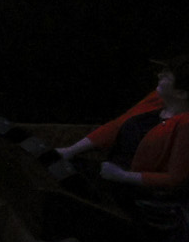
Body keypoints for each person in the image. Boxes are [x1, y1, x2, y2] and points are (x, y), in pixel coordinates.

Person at [56, 53, 189, 197]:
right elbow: (117, 126)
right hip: (111, 172)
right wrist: (70, 150)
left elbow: (175, 179)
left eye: (166, 76)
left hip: (137, 191)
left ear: (181, 93)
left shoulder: (185, 125)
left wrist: (122, 175)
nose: (159, 76)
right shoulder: (157, 99)